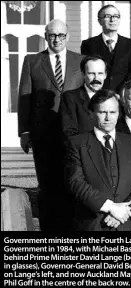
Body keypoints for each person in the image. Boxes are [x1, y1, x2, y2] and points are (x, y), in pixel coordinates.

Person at [17, 19, 85, 231]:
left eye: (61, 35)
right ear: (46, 36)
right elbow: (25, 97)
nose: (57, 39)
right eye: (53, 35)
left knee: (74, 182)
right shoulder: (32, 61)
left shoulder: (81, 61)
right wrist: (24, 131)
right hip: (43, 135)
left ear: (68, 36)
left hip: (75, 133)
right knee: (47, 186)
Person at [65, 89, 131, 231]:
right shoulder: (77, 144)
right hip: (92, 225)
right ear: (91, 114)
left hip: (127, 224)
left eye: (112, 112)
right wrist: (110, 207)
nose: (108, 118)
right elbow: (76, 182)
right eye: (102, 112)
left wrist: (123, 212)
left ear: (118, 114)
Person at [81, 4, 131, 92]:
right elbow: (86, 73)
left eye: (116, 16)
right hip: (97, 95)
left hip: (122, 97)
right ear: (99, 21)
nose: (112, 20)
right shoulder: (88, 44)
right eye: (107, 16)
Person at [61, 55, 107, 138]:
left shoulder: (112, 99)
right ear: (83, 74)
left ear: (105, 75)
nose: (96, 78)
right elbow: (69, 133)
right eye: (91, 73)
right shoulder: (70, 98)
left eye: (100, 73)